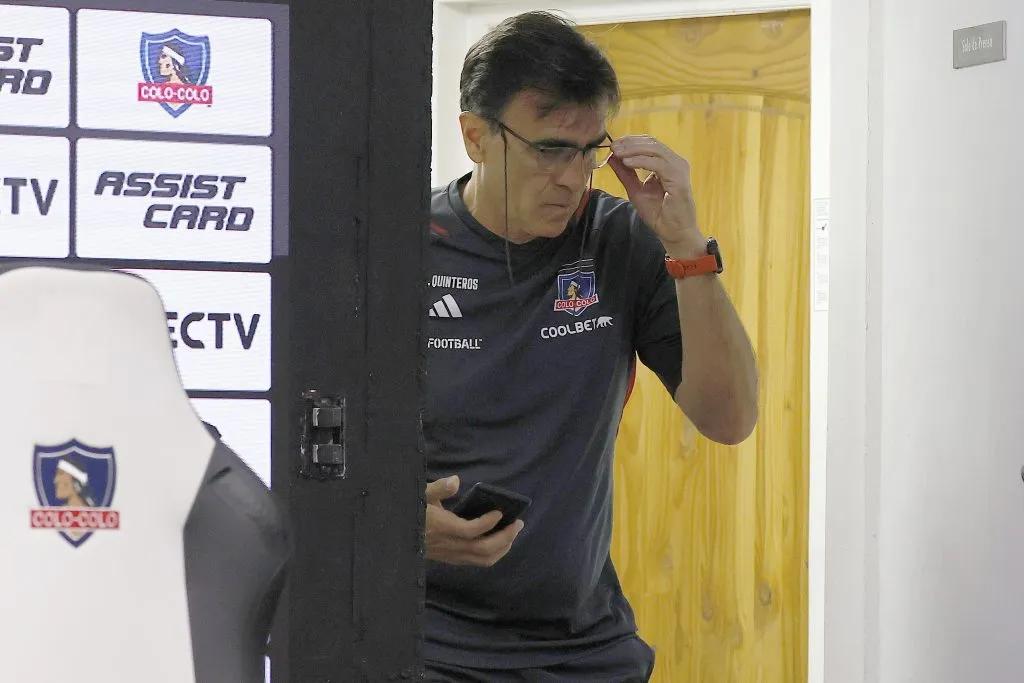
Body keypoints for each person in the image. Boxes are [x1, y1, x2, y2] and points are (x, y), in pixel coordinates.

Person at [422, 10, 759, 681]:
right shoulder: (400, 247)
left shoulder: (620, 240)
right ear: (475, 137)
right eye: (551, 149)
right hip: (430, 641)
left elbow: (730, 417)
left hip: (583, 646)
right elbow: (317, 448)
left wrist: (688, 247)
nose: (575, 178)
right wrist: (399, 529)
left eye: (590, 150)